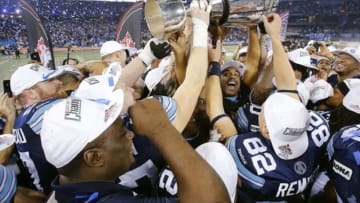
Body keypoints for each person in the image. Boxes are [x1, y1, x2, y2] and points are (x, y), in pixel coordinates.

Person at [205, 13, 330, 201]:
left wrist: (214, 63)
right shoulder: (319, 130)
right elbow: (289, 88)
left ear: (264, 129)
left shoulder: (245, 155)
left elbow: (215, 110)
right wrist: (275, 38)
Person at [40, 96, 231, 202]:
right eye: (122, 133)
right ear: (94, 158)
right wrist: (160, 128)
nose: (131, 135)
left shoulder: (62, 191)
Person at [10, 64, 64, 194]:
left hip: (47, 190)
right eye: (49, 80)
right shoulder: (45, 111)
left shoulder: (23, 118)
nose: (59, 82)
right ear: (31, 93)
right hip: (62, 192)